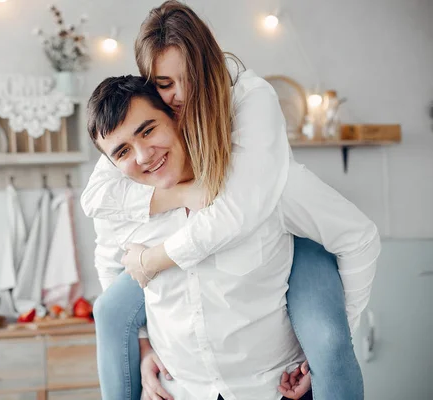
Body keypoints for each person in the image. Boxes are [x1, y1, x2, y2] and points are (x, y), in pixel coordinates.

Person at [82, 2, 378, 399]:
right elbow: (102, 231)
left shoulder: (257, 139)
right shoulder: (125, 188)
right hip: (181, 389)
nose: (182, 95)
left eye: (149, 130)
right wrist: (142, 345)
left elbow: (356, 236)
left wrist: (329, 345)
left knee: (327, 335)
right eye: (166, 84)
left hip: (268, 387)